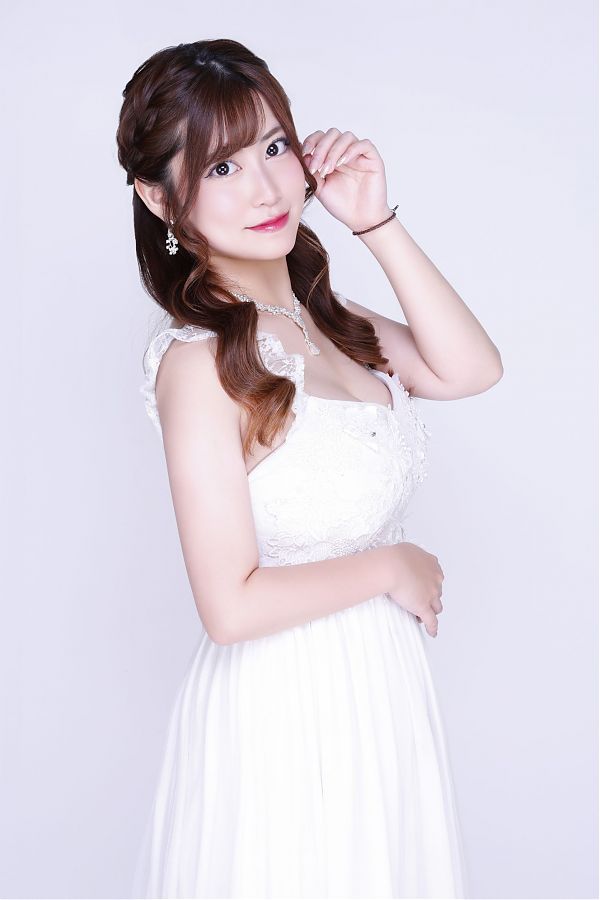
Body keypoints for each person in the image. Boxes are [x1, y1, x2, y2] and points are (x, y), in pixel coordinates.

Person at [116, 37, 502, 899]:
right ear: (158, 196)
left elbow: (472, 369)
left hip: (377, 691)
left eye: (275, 147)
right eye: (222, 168)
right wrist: (391, 566)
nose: (266, 188)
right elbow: (229, 607)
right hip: (285, 709)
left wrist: (376, 221)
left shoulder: (325, 318)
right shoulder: (200, 362)